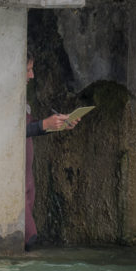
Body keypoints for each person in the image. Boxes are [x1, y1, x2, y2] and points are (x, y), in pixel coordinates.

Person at [24, 52, 80, 251]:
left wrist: (57, 125)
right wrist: (43, 125)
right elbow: (4, 133)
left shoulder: (22, 99)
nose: (32, 76)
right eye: (28, 70)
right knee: (29, 238)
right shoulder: (1, 97)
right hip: (11, 180)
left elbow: (30, 128)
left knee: (25, 241)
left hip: (27, 178)